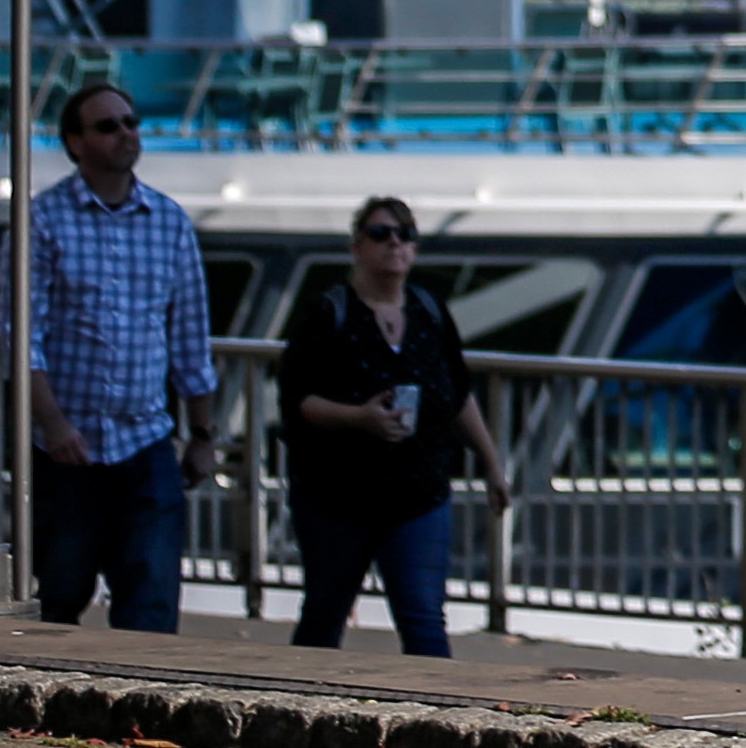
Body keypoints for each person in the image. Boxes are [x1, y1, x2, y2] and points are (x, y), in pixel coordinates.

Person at [275, 194, 514, 655]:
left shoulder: (428, 312)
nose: (395, 245)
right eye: (381, 234)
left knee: (424, 619)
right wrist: (360, 418)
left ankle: (441, 719)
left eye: (405, 236)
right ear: (357, 246)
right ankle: (296, 706)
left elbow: (457, 392)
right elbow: (299, 399)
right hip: (337, 494)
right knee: (325, 613)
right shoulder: (331, 313)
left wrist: (491, 465)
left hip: (418, 493)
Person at [27, 80, 219, 631]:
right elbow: (24, 335)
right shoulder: (44, 219)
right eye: (108, 126)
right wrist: (53, 422)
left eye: (131, 123)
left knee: (152, 606)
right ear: (74, 142)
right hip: (69, 450)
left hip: (145, 443)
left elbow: (189, 338)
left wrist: (203, 436)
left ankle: (144, 712)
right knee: (57, 598)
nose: (125, 135)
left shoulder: (169, 220)